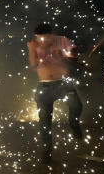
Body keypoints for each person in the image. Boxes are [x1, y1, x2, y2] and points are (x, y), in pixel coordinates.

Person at [26, 23, 83, 163]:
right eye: (40, 38)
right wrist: (31, 50)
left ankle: (74, 125)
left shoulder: (61, 40)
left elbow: (73, 54)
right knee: (44, 122)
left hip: (63, 84)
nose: (42, 41)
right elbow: (33, 66)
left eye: (45, 38)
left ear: (52, 35)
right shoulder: (34, 44)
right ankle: (46, 153)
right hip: (44, 86)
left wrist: (67, 54)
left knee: (77, 106)